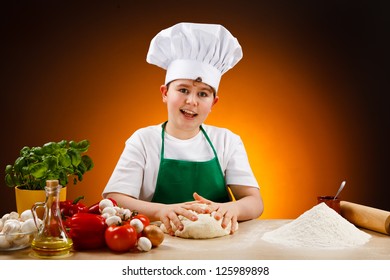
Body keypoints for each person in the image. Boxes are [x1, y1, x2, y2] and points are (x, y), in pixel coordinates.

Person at [102, 22, 264, 235]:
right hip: (158, 242)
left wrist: (233, 208)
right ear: (165, 93)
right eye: (183, 90)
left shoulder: (227, 140)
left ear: (213, 103)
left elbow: (255, 202)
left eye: (203, 94)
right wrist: (161, 211)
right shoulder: (143, 140)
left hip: (221, 245)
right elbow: (114, 198)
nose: (192, 101)